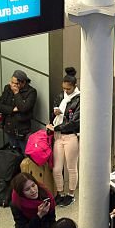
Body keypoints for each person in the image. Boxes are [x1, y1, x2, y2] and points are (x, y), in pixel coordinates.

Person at [48, 67, 81, 206]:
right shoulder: (61, 96)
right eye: (64, 88)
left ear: (74, 86)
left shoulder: (79, 99)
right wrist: (54, 114)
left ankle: (71, 194)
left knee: (71, 167)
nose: (65, 91)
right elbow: (55, 111)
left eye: (68, 89)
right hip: (58, 136)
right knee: (57, 168)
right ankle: (60, 193)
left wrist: (56, 127)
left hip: (71, 136)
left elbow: (75, 122)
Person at [0, 69, 38, 153]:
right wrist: (12, 109)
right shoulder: (7, 88)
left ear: (23, 83)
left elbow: (23, 108)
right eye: (11, 82)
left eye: (15, 83)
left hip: (22, 129)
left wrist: (16, 93)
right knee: (13, 154)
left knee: (25, 154)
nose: (12, 85)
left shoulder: (31, 92)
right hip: (9, 126)